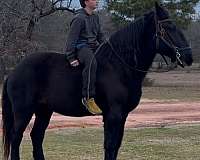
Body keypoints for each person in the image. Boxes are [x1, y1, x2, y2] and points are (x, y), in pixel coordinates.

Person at [65, 0, 105, 114]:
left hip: (94, 46)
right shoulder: (79, 18)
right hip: (81, 47)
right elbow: (71, 40)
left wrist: (108, 47)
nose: (97, 1)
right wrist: (71, 57)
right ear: (86, 2)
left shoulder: (95, 17)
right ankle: (88, 98)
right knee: (91, 62)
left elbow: (100, 35)